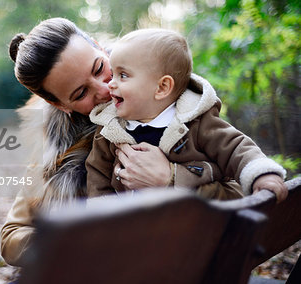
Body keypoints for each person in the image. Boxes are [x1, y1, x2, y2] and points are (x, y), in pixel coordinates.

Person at [1, 18, 243, 267]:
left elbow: (241, 195)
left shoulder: (171, 102)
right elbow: (11, 236)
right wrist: (74, 243)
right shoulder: (56, 152)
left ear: (100, 47)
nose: (105, 89)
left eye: (98, 69)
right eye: (81, 93)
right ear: (59, 105)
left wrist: (170, 179)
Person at [86, 28, 288, 202]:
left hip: (195, 227)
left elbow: (236, 148)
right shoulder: (108, 132)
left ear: (162, 87)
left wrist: (263, 175)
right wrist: (103, 224)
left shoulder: (196, 122)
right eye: (113, 73)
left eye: (123, 75)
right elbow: (98, 179)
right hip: (140, 232)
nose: (111, 83)